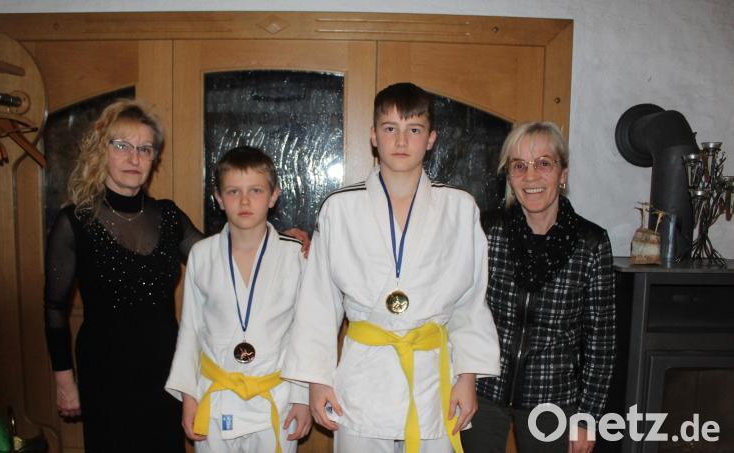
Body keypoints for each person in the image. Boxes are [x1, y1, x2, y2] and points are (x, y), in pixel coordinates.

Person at [44, 100, 310, 452]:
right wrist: (64, 380)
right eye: (122, 146)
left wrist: (283, 240)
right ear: (101, 150)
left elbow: (221, 258)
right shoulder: (75, 221)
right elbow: (54, 307)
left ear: (153, 158)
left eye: (144, 149)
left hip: (164, 369)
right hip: (105, 371)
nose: (133, 158)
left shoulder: (168, 218)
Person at [282, 82, 500, 453]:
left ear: (431, 139)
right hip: (364, 377)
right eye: (390, 128)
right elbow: (318, 303)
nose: (401, 140)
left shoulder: (459, 208)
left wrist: (468, 377)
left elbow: (470, 301)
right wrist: (315, 382)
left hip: (433, 378)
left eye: (414, 129)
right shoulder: (340, 208)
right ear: (373, 136)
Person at [459, 122, 615, 453]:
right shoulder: (487, 231)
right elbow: (462, 312)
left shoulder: (591, 243)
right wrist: (461, 378)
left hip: (553, 399)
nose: (531, 177)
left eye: (544, 163)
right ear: (510, 177)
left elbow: (601, 342)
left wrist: (587, 418)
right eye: (519, 166)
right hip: (483, 391)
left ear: (563, 174)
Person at [165, 146, 312, 453]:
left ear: (273, 196)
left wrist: (302, 398)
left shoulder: (294, 255)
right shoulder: (202, 255)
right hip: (215, 397)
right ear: (219, 198)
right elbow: (191, 330)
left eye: (255, 190)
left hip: (276, 399)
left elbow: (305, 332)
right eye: (233, 191)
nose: (244, 201)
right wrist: (189, 396)